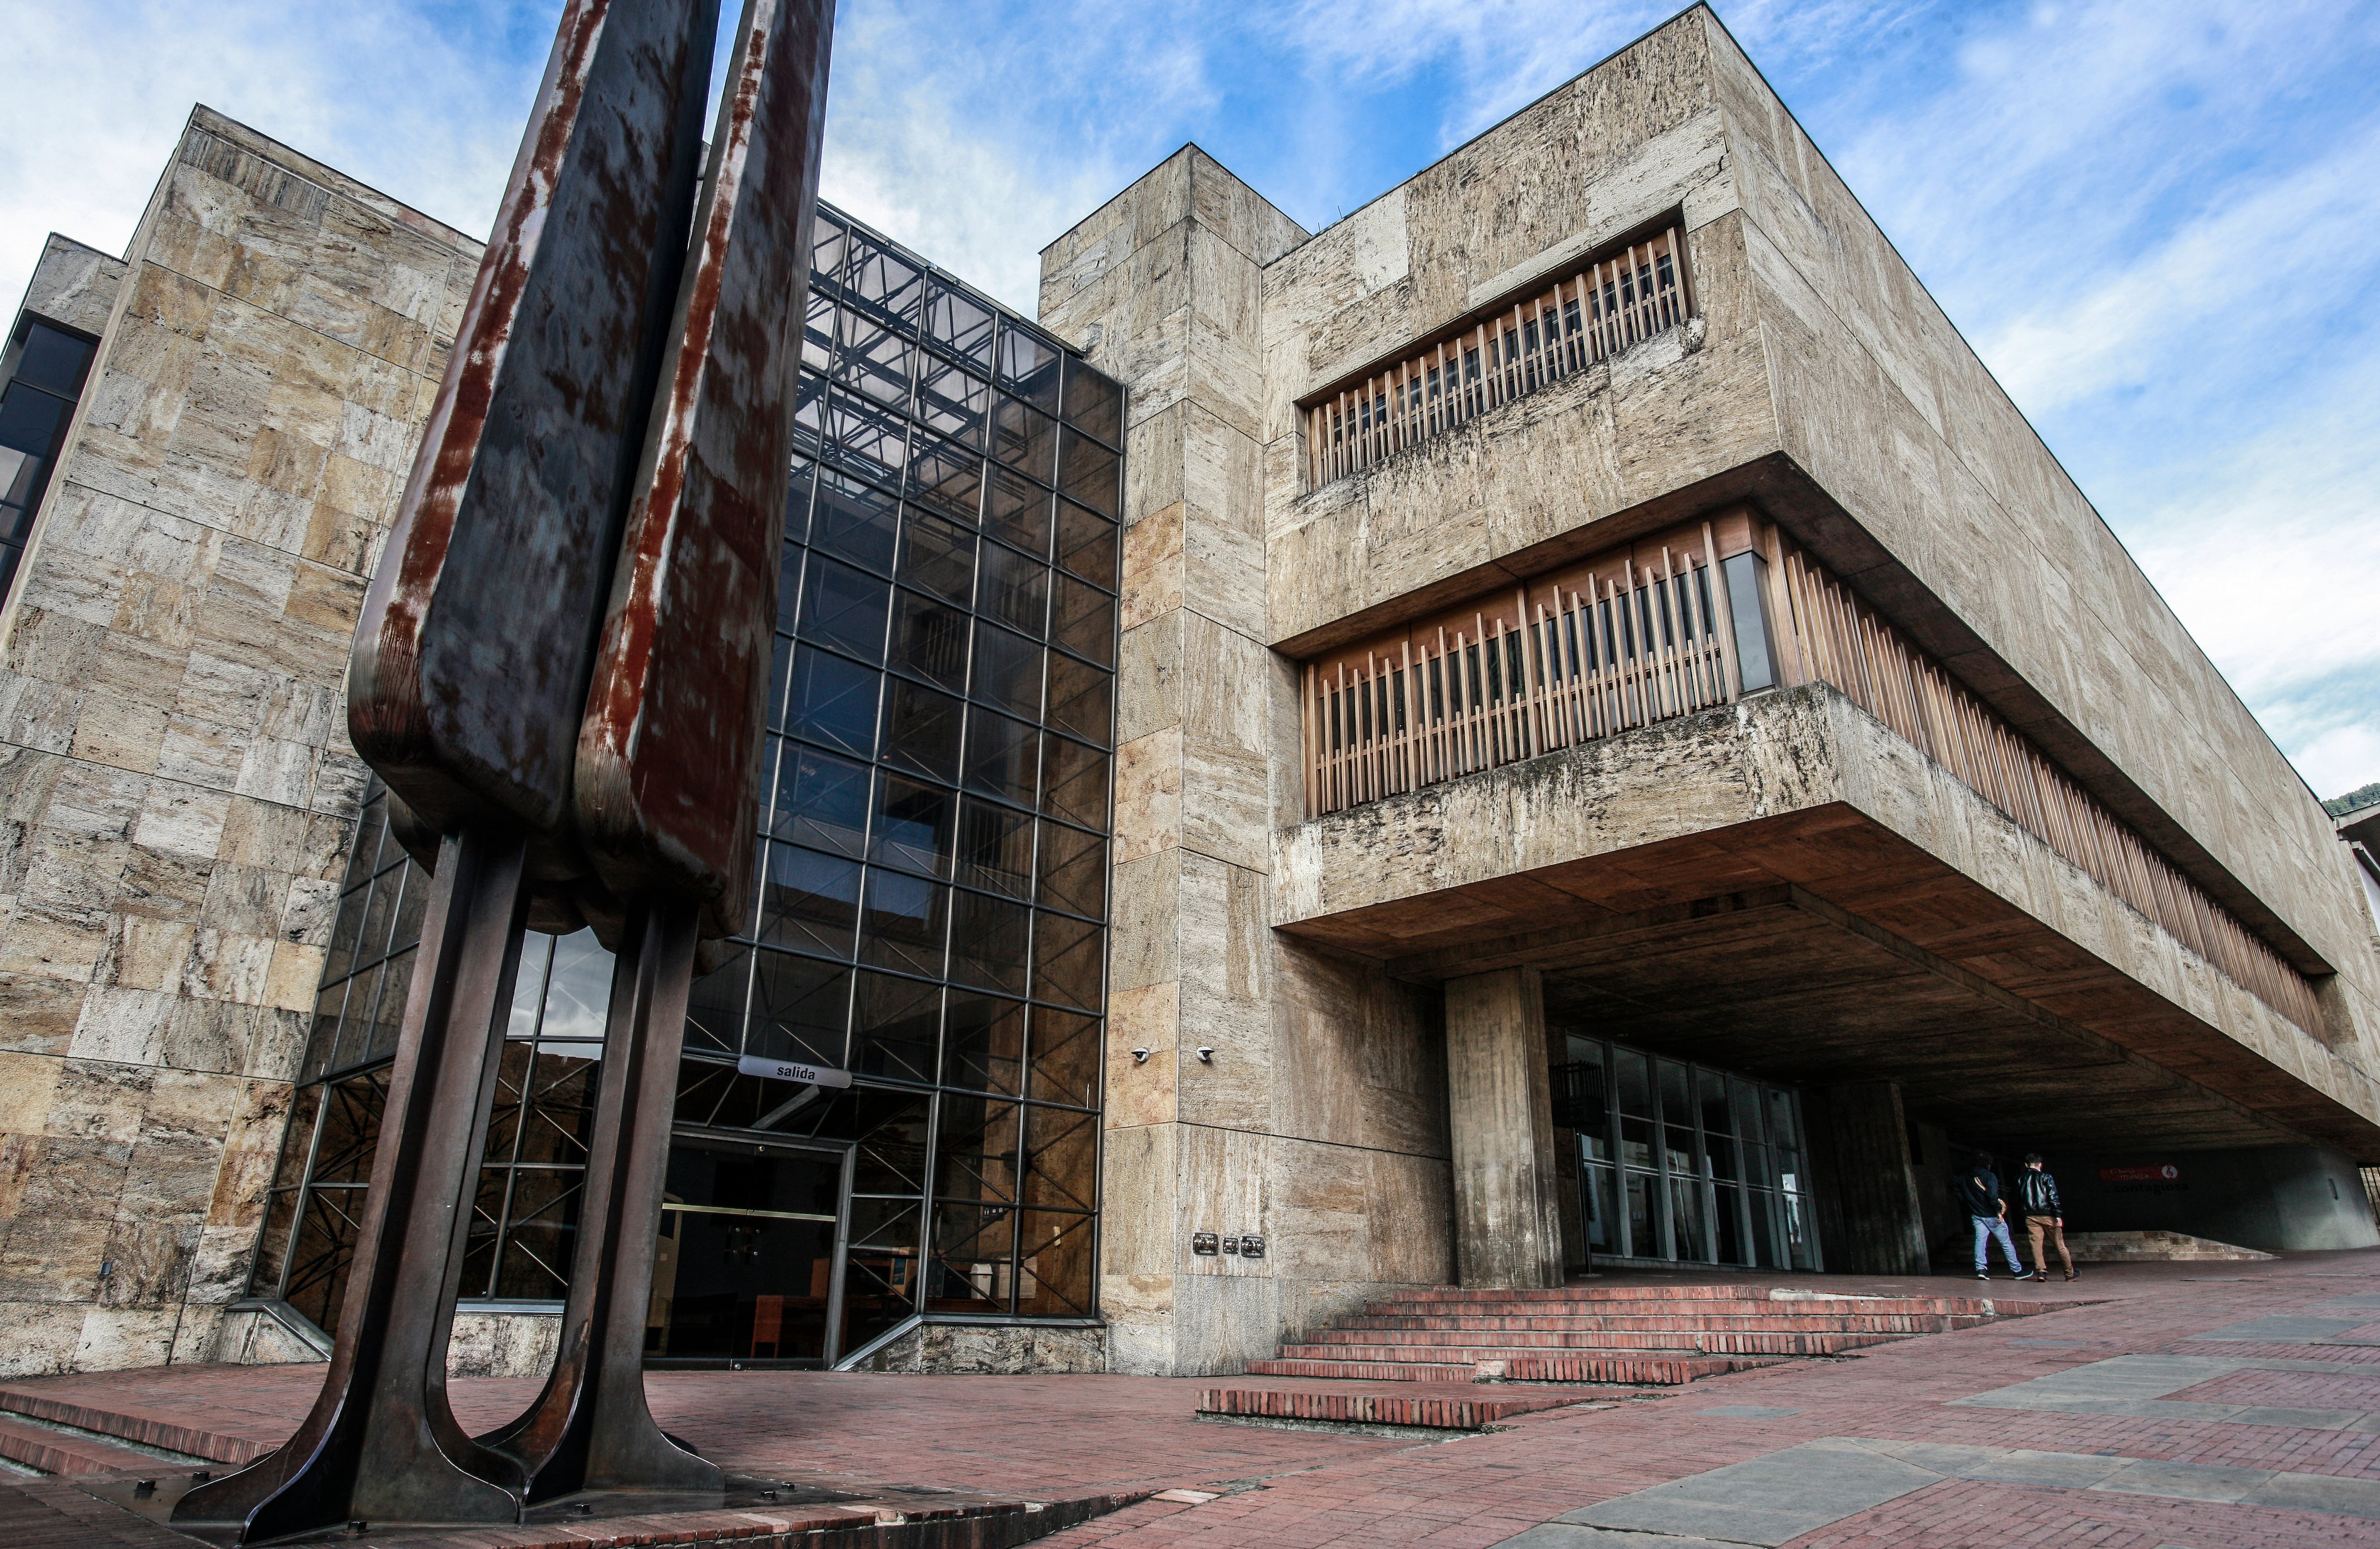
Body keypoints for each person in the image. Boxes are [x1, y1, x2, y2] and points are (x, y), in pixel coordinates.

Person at [1958, 1152, 2023, 1280]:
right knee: (2006, 1243)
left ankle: (1981, 1269)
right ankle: (2017, 1271)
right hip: (1992, 1215)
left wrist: (1966, 1201)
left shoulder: (1965, 1178)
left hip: (1977, 1215)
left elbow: (1953, 1185)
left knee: (1980, 1242)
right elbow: (1992, 1195)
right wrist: (1998, 1211)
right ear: (1987, 1164)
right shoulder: (1989, 1176)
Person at [2017, 1153, 2075, 1282]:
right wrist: (2058, 1215)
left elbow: (2021, 1198)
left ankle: (2041, 1272)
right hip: (2048, 1215)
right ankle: (2069, 1273)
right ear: (2041, 1165)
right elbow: (2053, 1197)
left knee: (2036, 1246)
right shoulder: (2046, 1177)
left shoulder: (2022, 1179)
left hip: (2030, 1216)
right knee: (2059, 1244)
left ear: (2027, 1165)